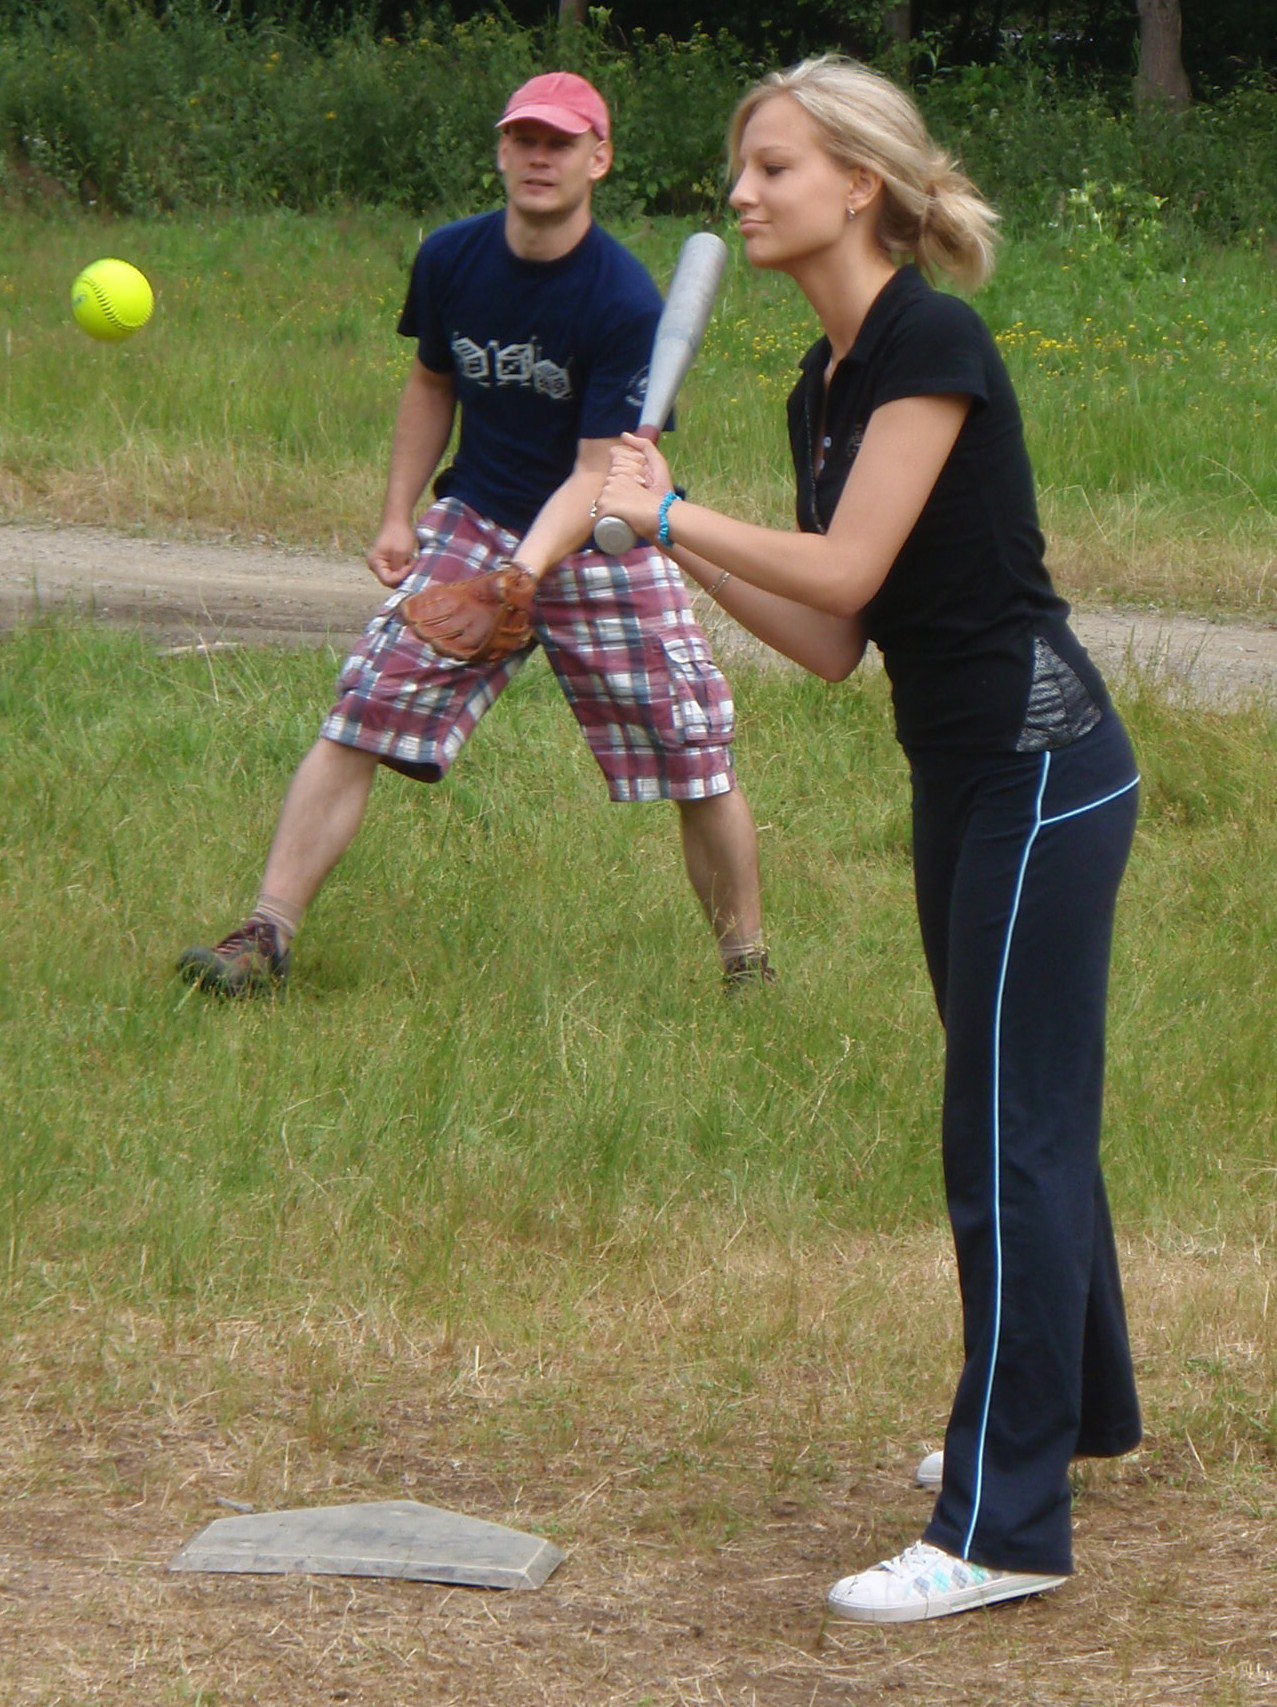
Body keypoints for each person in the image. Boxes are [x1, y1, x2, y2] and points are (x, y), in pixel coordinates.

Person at [596, 56, 1142, 1623]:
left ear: (859, 183)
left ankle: (1003, 1523)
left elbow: (841, 569)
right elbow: (838, 640)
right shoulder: (820, 385)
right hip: (960, 771)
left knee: (1003, 1129)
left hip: (1043, 761)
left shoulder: (930, 341)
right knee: (1019, 1102)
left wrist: (673, 513)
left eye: (772, 166)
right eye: (740, 169)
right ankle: (1073, 1408)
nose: (742, 192)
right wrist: (674, 539)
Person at [179, 72, 770, 999]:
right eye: (524, 138)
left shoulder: (621, 299)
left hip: (603, 533)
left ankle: (747, 968)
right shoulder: (451, 258)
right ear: (500, 149)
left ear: (598, 160)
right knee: (362, 705)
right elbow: (431, 382)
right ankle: (265, 934)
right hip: (481, 516)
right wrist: (396, 513)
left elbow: (594, 475)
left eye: (561, 143)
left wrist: (520, 575)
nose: (539, 157)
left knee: (694, 750)